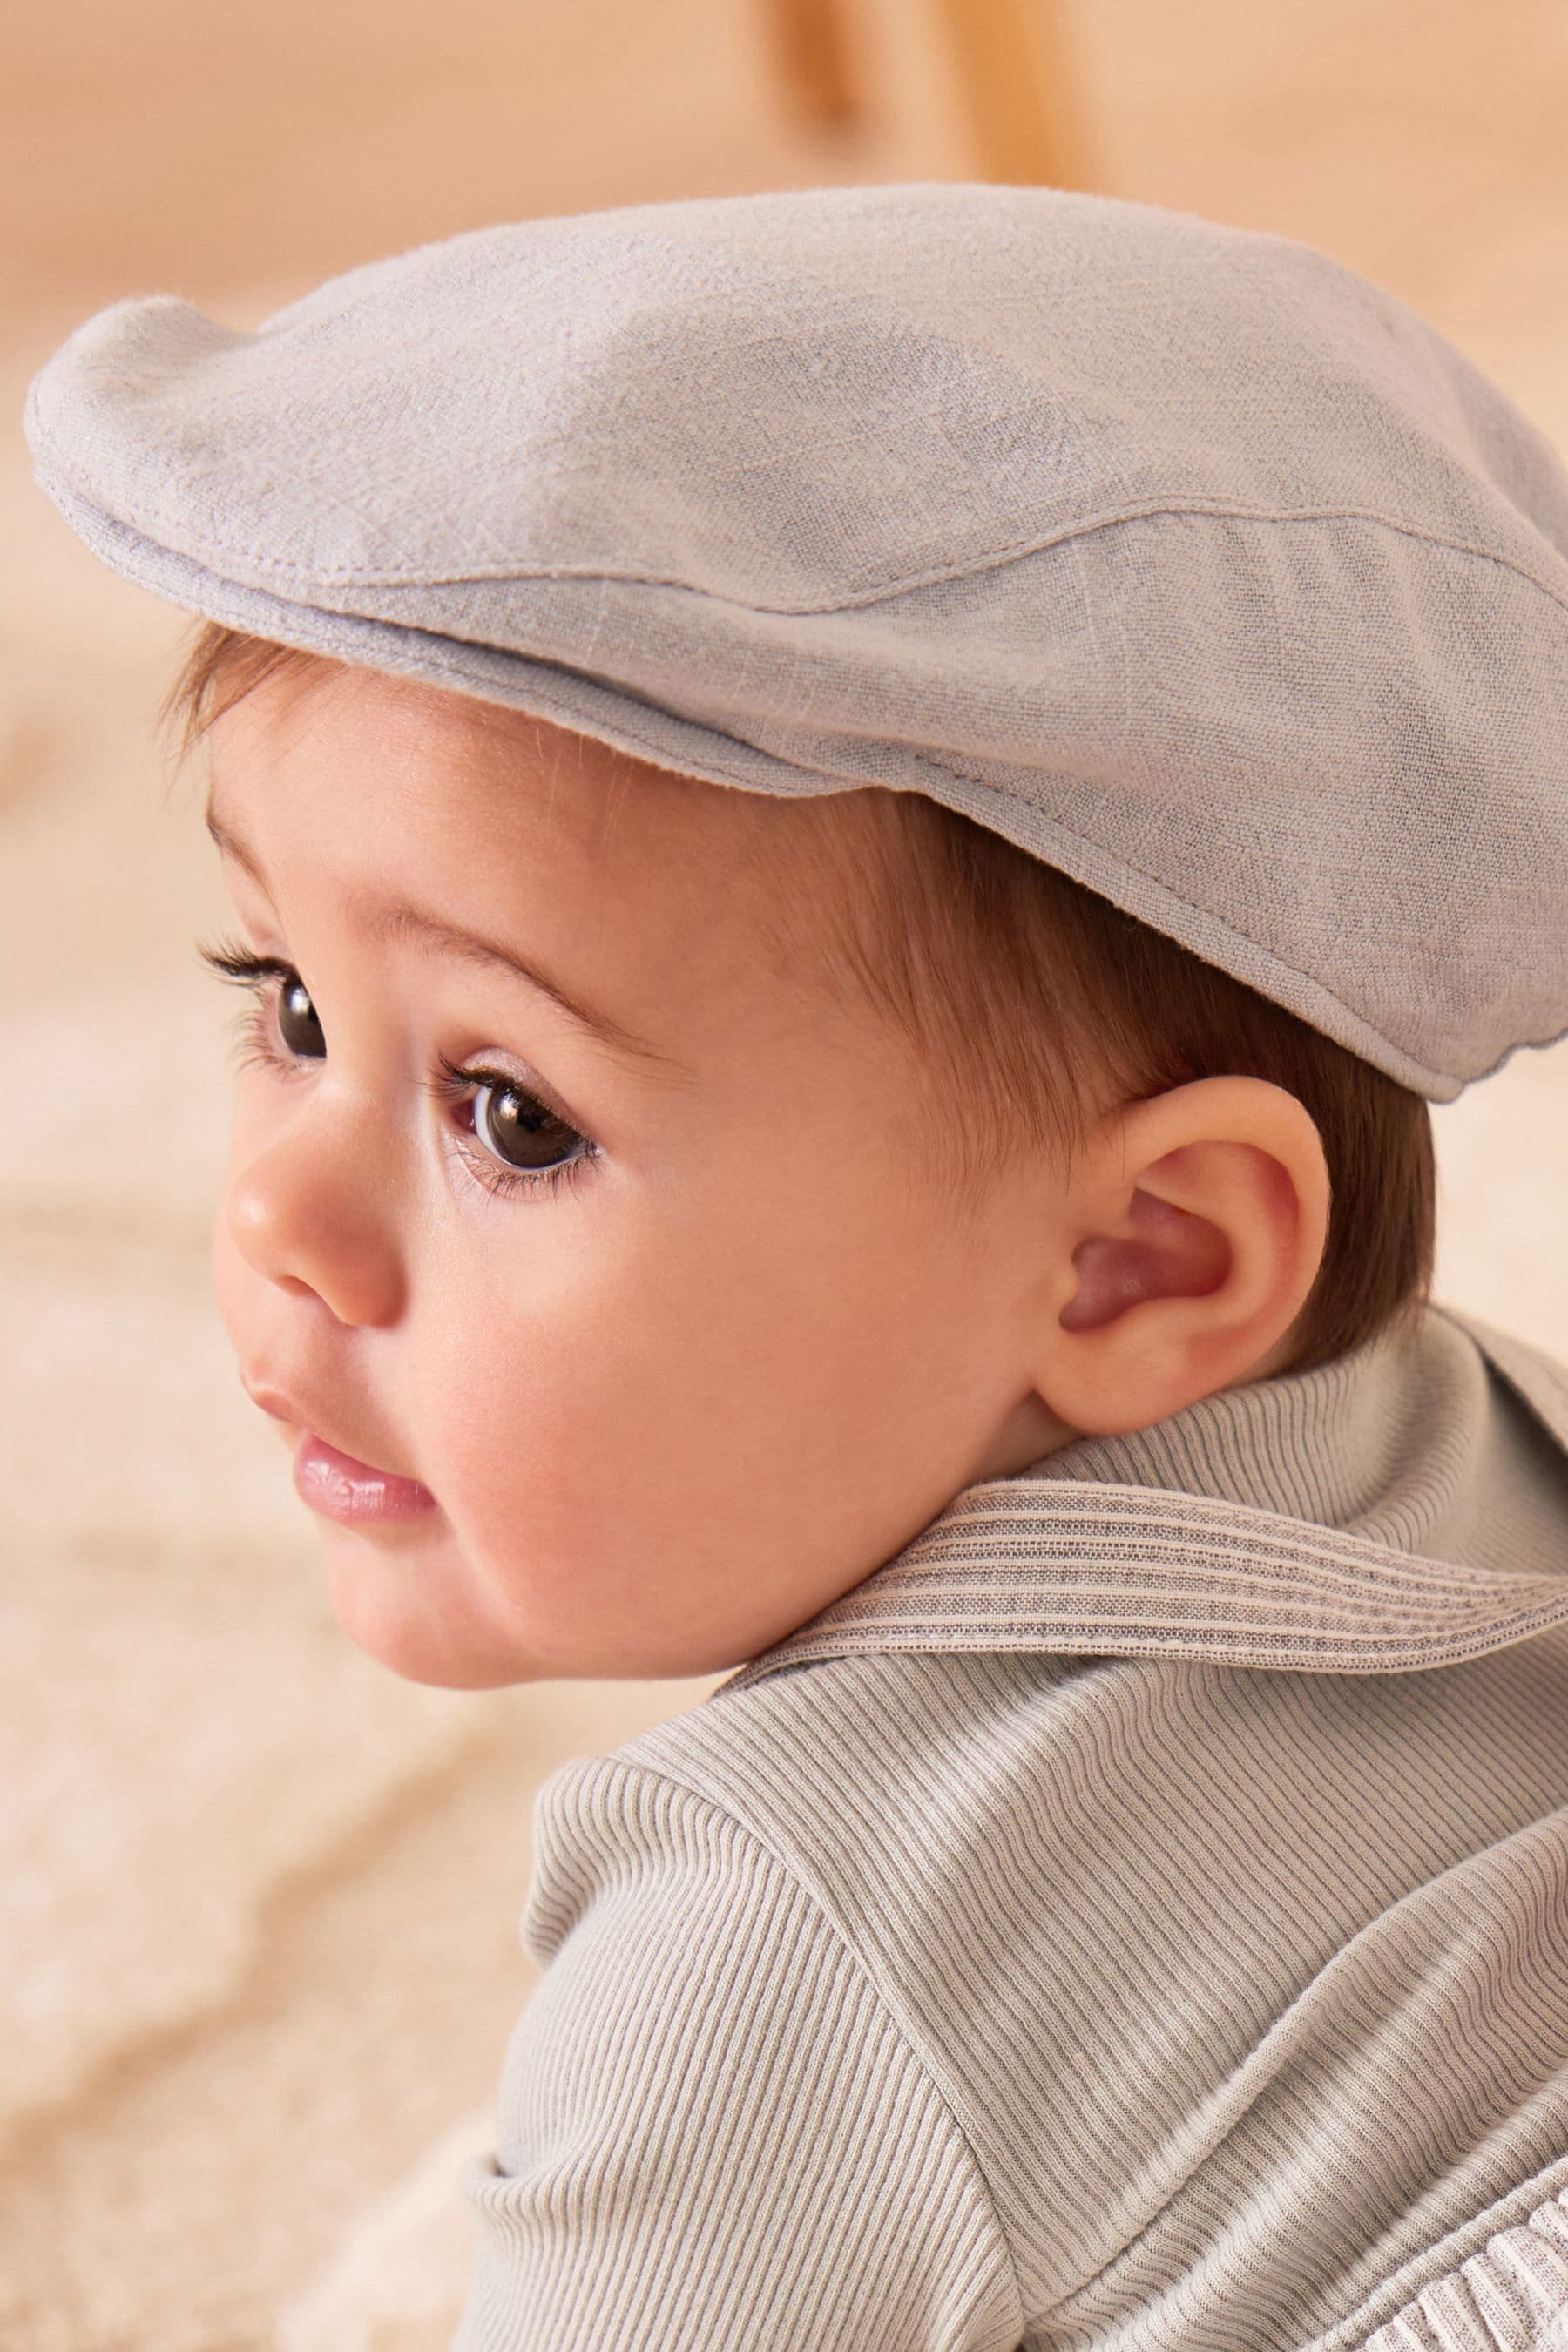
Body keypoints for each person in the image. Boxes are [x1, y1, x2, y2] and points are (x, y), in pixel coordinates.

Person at [24, 181, 1568, 2349]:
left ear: (1142, 1257)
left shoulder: (775, 1948)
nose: (279, 1216)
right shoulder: (1513, 1443)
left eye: (513, 1113)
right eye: (284, 1001)